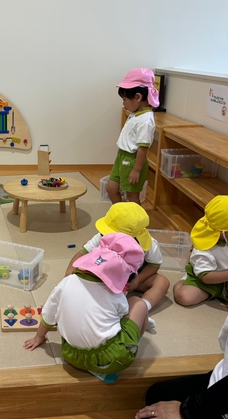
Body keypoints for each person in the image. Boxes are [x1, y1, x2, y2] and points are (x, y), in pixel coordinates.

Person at [134, 183, 228, 419]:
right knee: (155, 393)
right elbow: (205, 275)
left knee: (146, 418)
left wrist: (185, 412)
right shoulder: (206, 247)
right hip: (210, 283)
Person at [24, 232, 149, 384]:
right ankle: (129, 348)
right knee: (138, 303)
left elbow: (48, 315)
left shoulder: (67, 281)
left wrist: (39, 337)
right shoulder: (115, 295)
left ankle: (92, 365)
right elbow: (122, 315)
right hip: (113, 360)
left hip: (71, 355)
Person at [65, 202, 170, 328]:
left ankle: (141, 309)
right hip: (107, 276)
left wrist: (137, 280)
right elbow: (82, 253)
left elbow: (154, 264)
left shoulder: (149, 244)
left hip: (134, 278)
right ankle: (106, 309)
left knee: (162, 282)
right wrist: (69, 276)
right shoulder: (101, 236)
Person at [173, 195, 228, 307]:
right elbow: (206, 277)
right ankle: (182, 283)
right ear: (221, 232)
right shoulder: (204, 249)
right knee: (184, 297)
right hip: (206, 282)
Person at [106, 68, 159, 204]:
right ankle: (121, 212)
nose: (123, 103)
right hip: (122, 156)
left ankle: (134, 217)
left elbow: (143, 148)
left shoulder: (145, 121)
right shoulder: (136, 113)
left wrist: (136, 170)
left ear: (138, 97)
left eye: (125, 99)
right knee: (111, 188)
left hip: (132, 160)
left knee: (132, 196)